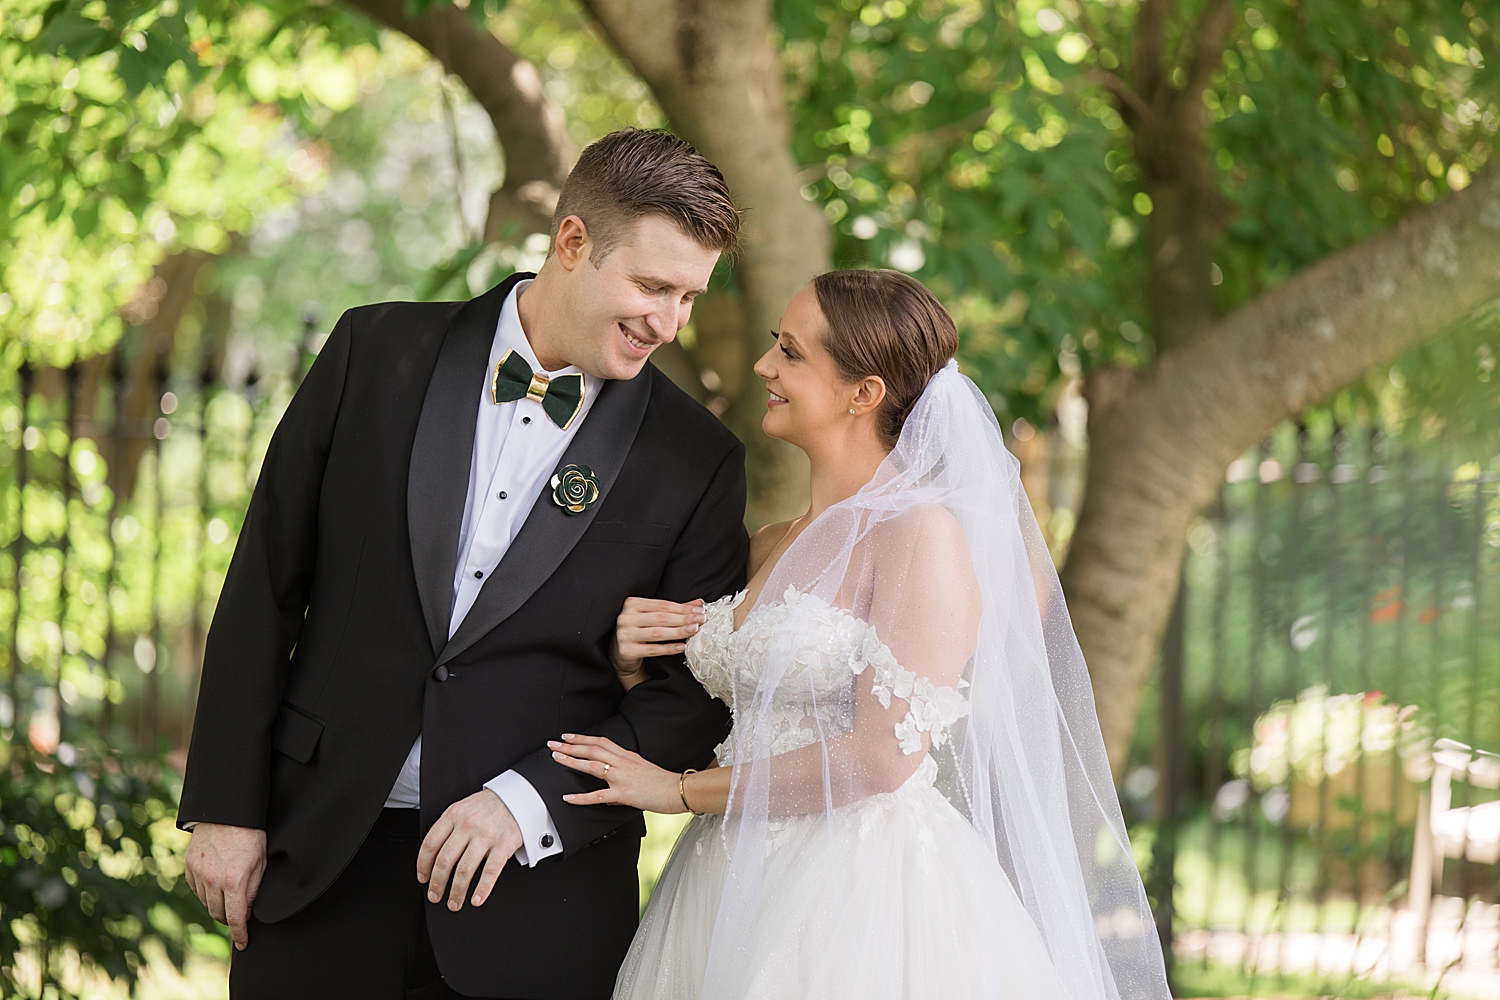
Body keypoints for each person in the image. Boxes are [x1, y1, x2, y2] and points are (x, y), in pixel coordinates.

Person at [177, 129, 749, 999]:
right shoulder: (374, 355)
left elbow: (691, 693)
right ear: (572, 243)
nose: (669, 323)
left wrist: (528, 803)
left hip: (538, 903)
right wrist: (226, 804)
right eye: (651, 286)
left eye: (689, 298)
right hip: (322, 857)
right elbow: (265, 584)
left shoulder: (696, 455)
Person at [550, 270, 1174, 1000]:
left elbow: (882, 758)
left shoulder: (920, 535)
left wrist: (680, 791)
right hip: (726, 873)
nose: (763, 368)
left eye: (790, 352)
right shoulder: (769, 543)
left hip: (855, 890)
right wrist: (633, 667)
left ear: (864, 392)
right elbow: (728, 720)